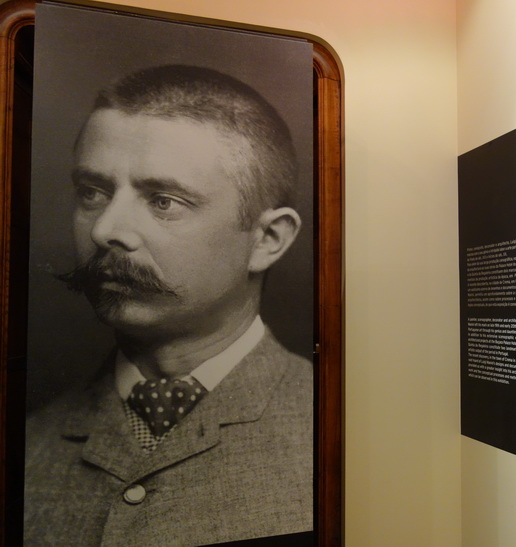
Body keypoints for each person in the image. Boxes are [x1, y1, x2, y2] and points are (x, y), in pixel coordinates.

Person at [24, 65, 313, 545]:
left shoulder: (341, 434)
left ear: (267, 239)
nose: (104, 230)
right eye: (93, 192)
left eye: (163, 201)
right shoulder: (28, 445)